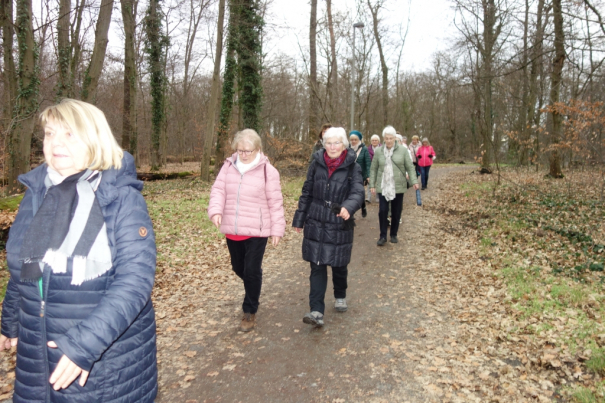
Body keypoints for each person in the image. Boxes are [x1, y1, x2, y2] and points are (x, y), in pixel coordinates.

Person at [0, 99, 158, 402]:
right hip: (36, 355)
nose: (55, 142)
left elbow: (135, 281)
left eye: (69, 134)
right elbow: (25, 268)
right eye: (49, 133)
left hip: (104, 364)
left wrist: (82, 347)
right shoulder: (36, 194)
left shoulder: (121, 198)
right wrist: (10, 323)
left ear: (93, 138)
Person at [208, 129, 286, 332]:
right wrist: (215, 211)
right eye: (240, 150)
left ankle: (249, 310)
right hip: (233, 228)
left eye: (248, 151)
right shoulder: (228, 167)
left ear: (258, 149)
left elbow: (275, 202)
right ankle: (254, 283)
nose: (243, 154)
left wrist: (277, 230)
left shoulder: (269, 172)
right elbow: (218, 190)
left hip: (257, 230)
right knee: (238, 268)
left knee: (251, 270)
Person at [292, 127, 364, 328]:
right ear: (324, 145)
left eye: (336, 143)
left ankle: (340, 294)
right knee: (317, 265)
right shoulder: (316, 164)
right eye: (329, 143)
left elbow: (358, 192)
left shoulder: (353, 167)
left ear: (344, 145)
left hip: (339, 220)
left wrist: (348, 207)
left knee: (339, 264)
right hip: (316, 219)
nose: (332, 147)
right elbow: (307, 190)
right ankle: (316, 311)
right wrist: (299, 218)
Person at [369, 126, 419, 246]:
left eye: (391, 138)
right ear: (384, 139)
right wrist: (372, 184)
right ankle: (382, 236)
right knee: (383, 210)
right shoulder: (379, 151)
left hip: (398, 185)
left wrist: (414, 181)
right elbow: (373, 169)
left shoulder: (402, 150)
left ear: (394, 139)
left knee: (396, 211)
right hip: (383, 185)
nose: (389, 140)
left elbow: (410, 167)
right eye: (387, 138)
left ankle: (394, 234)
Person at [349, 130, 370, 218]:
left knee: (359, 192)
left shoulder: (364, 149)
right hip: (349, 174)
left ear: (359, 140)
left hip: (360, 175)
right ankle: (351, 212)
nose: (353, 141)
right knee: (349, 193)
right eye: (352, 139)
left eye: (355, 140)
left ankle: (363, 206)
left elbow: (368, 163)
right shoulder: (347, 148)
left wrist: (368, 176)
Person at [367, 135, 381, 203]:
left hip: (380, 167)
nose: (374, 142)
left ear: (378, 141)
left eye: (376, 140)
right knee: (369, 181)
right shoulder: (367, 149)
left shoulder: (382, 148)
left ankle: (378, 197)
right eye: (373, 140)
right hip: (371, 167)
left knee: (379, 182)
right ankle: (368, 197)